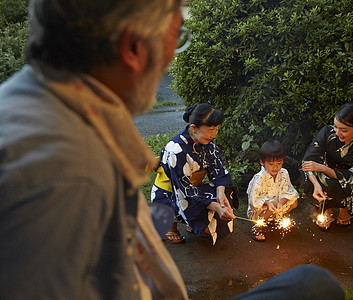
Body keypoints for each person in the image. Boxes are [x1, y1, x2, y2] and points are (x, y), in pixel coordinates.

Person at [0, 0, 189, 298]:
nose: (171, 56)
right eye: (177, 36)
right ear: (132, 48)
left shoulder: (25, 99)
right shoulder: (69, 176)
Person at [151, 103, 238, 245]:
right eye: (211, 129)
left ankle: (195, 223)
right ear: (194, 128)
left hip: (193, 187)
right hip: (170, 192)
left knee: (224, 191)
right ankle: (170, 225)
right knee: (198, 202)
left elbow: (218, 171)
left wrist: (221, 194)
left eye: (216, 128)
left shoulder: (209, 144)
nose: (214, 134)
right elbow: (182, 190)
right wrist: (215, 206)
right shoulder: (176, 149)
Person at [301, 102, 353, 230]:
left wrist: (323, 168)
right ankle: (327, 208)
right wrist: (315, 184)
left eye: (344, 130)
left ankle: (345, 209)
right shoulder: (327, 132)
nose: (337, 133)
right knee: (322, 179)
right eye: (336, 127)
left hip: (350, 180)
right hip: (326, 178)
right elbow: (309, 160)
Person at [247, 140, 299, 241]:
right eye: (271, 164)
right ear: (262, 162)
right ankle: (257, 227)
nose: (275, 167)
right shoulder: (260, 178)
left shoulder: (284, 173)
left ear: (283, 161)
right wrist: (268, 203)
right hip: (261, 209)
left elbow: (288, 191)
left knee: (294, 203)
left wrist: (280, 203)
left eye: (279, 163)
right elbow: (254, 200)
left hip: (276, 205)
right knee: (270, 209)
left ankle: (275, 219)